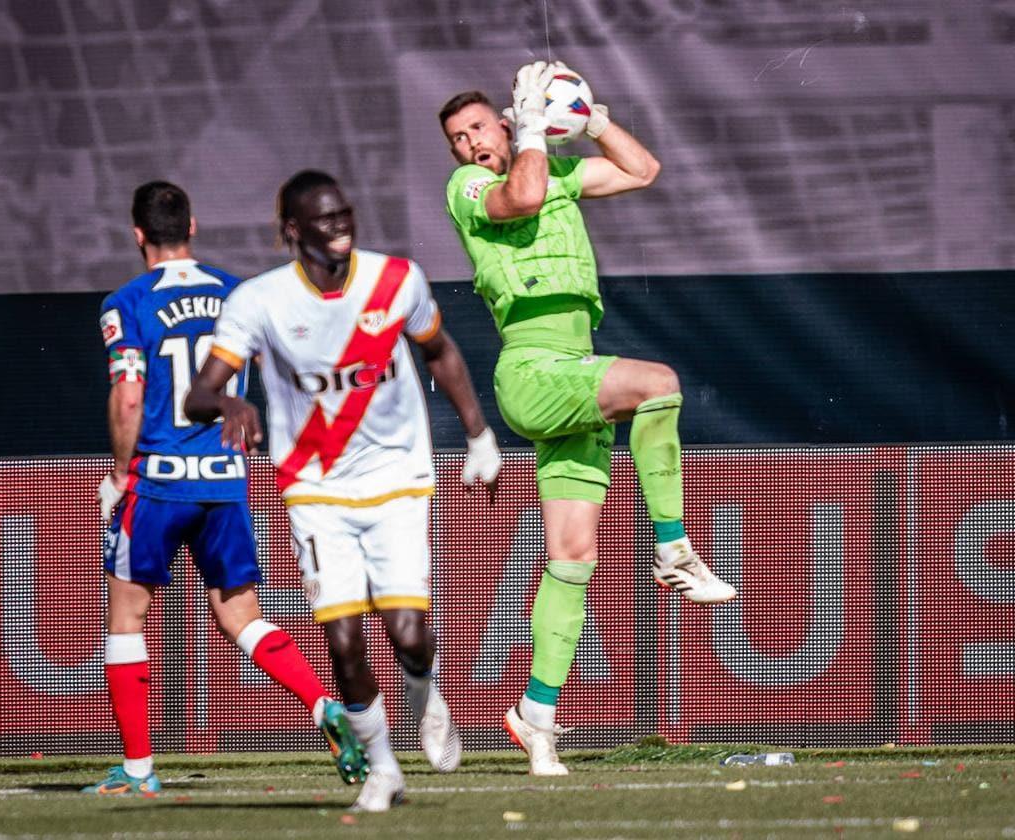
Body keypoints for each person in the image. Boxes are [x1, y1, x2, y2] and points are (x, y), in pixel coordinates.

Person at [438, 62, 737, 776]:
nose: (469, 143)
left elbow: (643, 169)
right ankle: (673, 547)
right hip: (535, 371)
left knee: (573, 561)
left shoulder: (555, 168)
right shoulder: (473, 188)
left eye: (478, 127)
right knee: (658, 384)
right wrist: (536, 130)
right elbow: (526, 190)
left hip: (572, 369)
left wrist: (591, 118)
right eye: (456, 137)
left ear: (502, 124)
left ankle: (534, 715)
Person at [184, 170, 502, 812]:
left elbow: (439, 350)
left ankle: (424, 687)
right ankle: (383, 769)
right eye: (324, 220)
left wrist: (479, 435)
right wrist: (226, 405)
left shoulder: (396, 280)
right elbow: (196, 394)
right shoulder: (259, 300)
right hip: (314, 488)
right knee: (344, 638)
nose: (341, 227)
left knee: (408, 632)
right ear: (292, 231)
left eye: (345, 214)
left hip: (397, 479)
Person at [85, 180, 368, 795]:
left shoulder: (125, 303)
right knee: (241, 614)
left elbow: (129, 395)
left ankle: (137, 771)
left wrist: (117, 472)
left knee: (127, 617)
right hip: (224, 481)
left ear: (138, 235)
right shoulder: (238, 294)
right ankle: (323, 705)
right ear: (193, 225)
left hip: (158, 484)